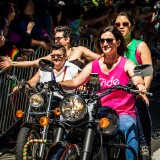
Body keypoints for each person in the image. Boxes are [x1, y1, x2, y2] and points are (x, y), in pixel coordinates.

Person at [59, 25, 148, 160]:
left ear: (118, 43)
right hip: (97, 111)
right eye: (102, 41)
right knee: (69, 122)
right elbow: (75, 82)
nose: (105, 44)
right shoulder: (93, 65)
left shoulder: (126, 63)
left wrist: (140, 85)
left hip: (121, 112)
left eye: (109, 40)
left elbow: (136, 76)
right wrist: (56, 84)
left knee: (129, 125)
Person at [113, 12, 153, 160]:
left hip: (134, 90)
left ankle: (144, 144)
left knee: (138, 102)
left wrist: (143, 90)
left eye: (125, 24)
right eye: (117, 25)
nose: (121, 27)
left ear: (131, 27)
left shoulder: (139, 45)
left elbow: (148, 71)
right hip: (114, 93)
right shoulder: (111, 46)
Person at [0, 26, 100, 70]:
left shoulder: (79, 50)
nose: (56, 41)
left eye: (58, 39)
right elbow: (33, 63)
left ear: (67, 39)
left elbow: (99, 58)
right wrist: (12, 63)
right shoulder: (53, 55)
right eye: (55, 39)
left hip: (77, 94)